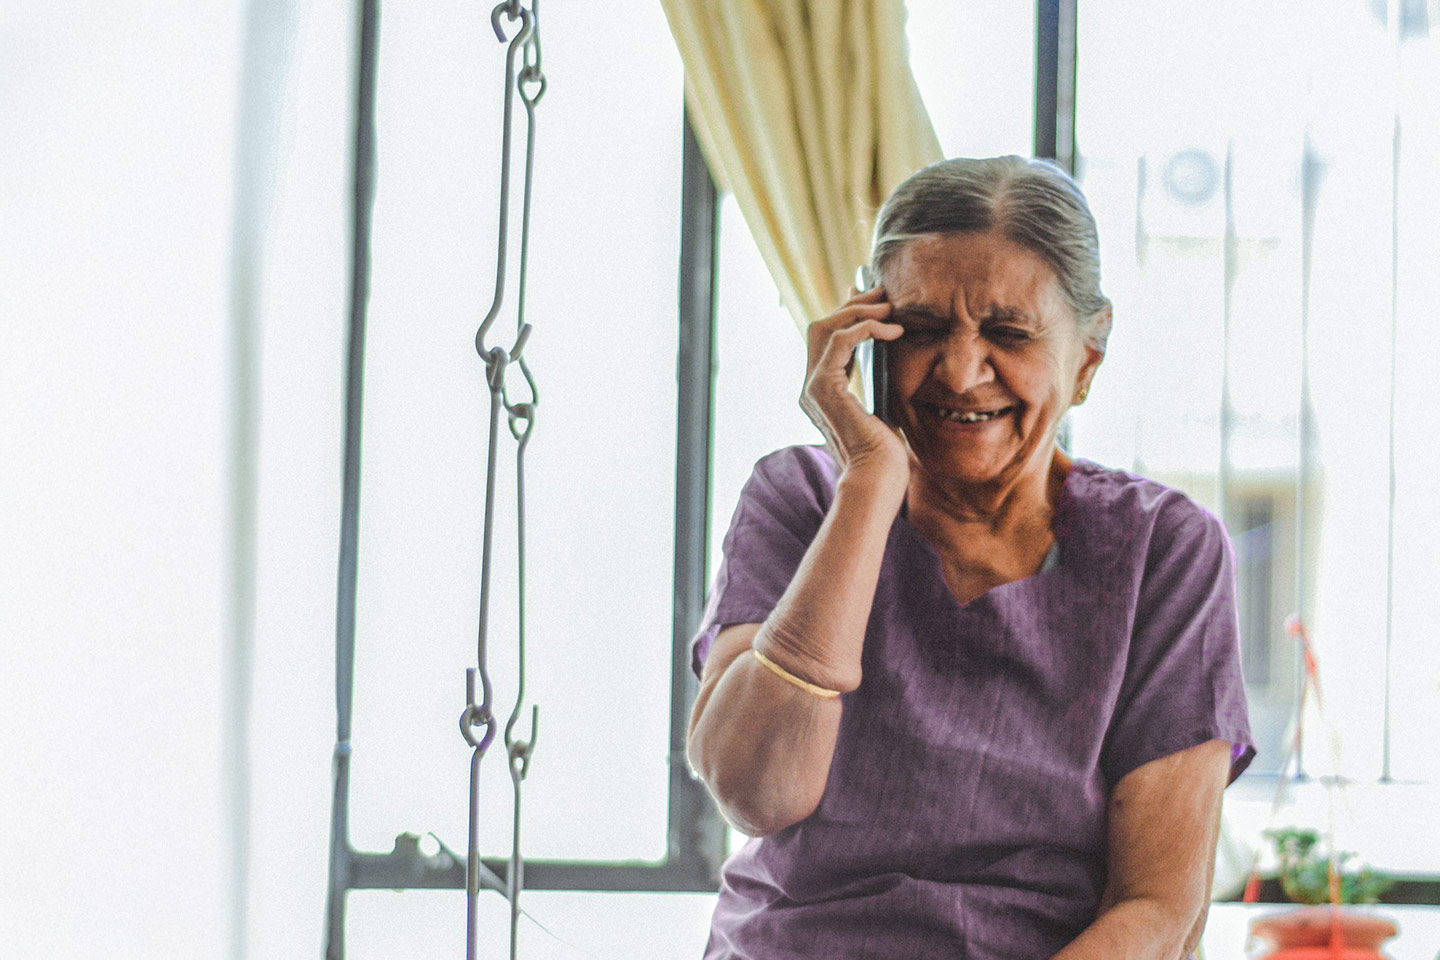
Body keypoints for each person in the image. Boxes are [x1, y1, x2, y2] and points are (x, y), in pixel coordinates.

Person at [687, 156, 1255, 960]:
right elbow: (759, 791)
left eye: (1009, 332)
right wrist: (868, 488)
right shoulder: (801, 499)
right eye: (920, 331)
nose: (959, 370)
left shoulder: (1162, 548)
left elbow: (1158, 909)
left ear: (1088, 357)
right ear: (867, 331)